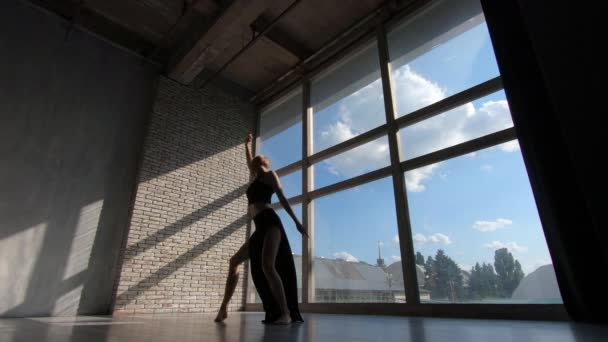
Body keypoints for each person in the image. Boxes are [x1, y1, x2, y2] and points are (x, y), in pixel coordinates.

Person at [214, 133, 307, 324]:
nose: (254, 163)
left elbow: (282, 198)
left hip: (271, 223)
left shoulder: (270, 175)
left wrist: (297, 222)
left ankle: (285, 314)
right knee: (234, 261)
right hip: (260, 226)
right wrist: (246, 144)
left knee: (268, 266)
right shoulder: (255, 176)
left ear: (264, 163)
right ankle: (223, 308)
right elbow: (249, 161)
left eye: (258, 160)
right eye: (254, 162)